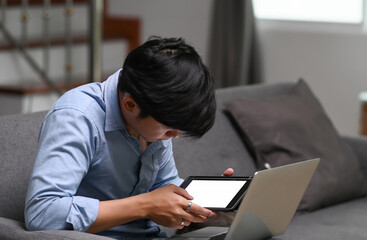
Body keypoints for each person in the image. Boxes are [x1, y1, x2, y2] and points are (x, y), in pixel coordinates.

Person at [24, 36, 233, 239]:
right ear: (130, 105)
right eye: (168, 130)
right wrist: (146, 205)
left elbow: (164, 186)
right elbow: (42, 213)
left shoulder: (153, 115)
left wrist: (206, 200)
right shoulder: (77, 117)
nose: (173, 137)